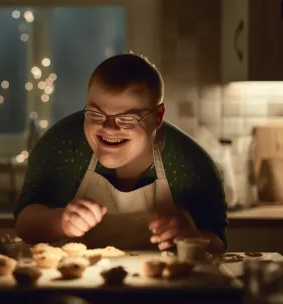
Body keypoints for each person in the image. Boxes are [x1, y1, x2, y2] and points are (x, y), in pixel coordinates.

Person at [15, 53, 227, 253]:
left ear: (158, 117)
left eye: (127, 119)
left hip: (166, 284)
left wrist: (192, 236)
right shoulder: (61, 144)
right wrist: (60, 221)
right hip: (74, 281)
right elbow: (24, 225)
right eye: (96, 114)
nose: (109, 128)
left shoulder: (191, 163)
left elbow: (218, 243)